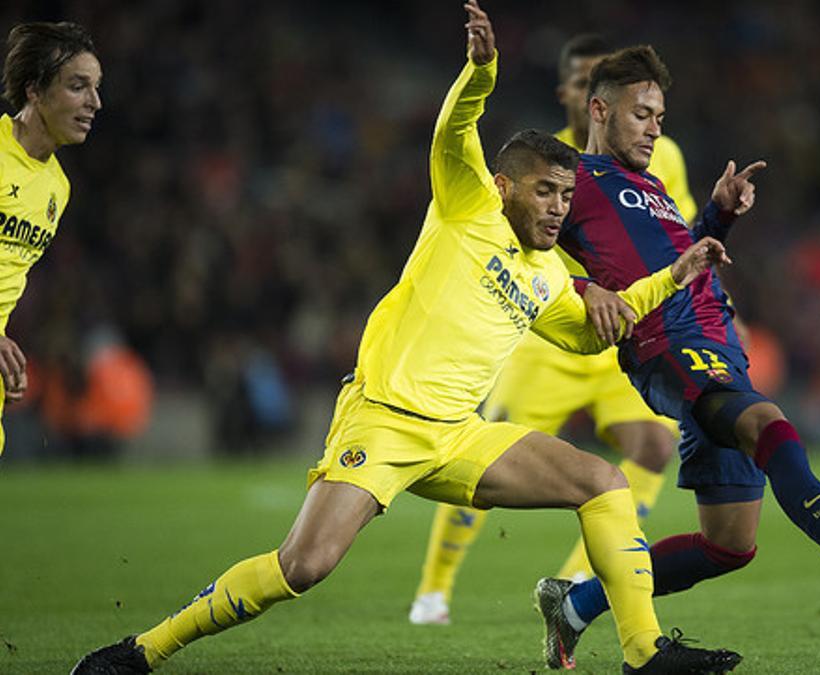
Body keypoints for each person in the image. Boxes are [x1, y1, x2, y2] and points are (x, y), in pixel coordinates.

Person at [72, 3, 741, 674]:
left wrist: (673, 275)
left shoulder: (544, 275)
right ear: (503, 186)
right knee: (303, 564)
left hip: (458, 434)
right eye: (545, 192)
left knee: (603, 482)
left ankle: (644, 653)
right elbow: (456, 128)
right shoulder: (466, 203)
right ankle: (143, 650)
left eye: (566, 195)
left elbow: (593, 335)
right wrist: (481, 71)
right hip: (386, 421)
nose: (558, 208)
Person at [534, 45, 820, 668]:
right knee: (768, 425)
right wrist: (582, 288)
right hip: (666, 348)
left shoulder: (648, 185)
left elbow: (678, 259)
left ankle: (574, 605)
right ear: (599, 109)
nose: (655, 128)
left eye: (661, 117)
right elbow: (511, 250)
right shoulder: (575, 180)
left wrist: (719, 215)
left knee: (728, 545)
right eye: (643, 114)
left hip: (719, 348)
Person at [408, 33, 698, 627]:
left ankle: (576, 578)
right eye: (586, 78)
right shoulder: (543, 165)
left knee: (652, 445)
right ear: (574, 94)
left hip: (618, 331)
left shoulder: (661, 157)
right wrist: (580, 288)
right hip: (546, 333)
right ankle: (434, 591)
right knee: (480, 451)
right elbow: (510, 252)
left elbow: (679, 236)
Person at [0, 21, 101, 456]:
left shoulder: (57, 188)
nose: (95, 102)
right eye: (78, 86)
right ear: (34, 90)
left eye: (96, 88)